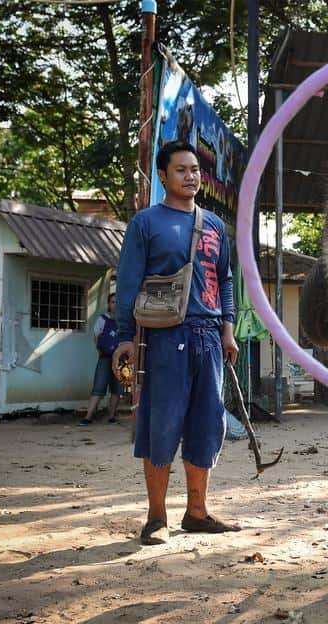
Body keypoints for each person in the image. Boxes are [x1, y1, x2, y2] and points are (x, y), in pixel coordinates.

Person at [111, 140, 240, 545]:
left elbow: (227, 281)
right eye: (181, 170)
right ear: (162, 176)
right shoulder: (145, 223)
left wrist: (228, 329)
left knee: (208, 423)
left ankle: (197, 513)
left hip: (209, 337)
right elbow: (129, 282)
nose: (191, 176)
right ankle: (156, 519)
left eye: (195, 170)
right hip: (163, 337)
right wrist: (126, 337)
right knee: (161, 423)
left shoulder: (216, 226)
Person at [79, 292, 123, 426]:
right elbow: (97, 337)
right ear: (109, 304)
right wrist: (101, 352)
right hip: (105, 357)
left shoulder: (124, 320)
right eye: (113, 302)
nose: (115, 304)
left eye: (117, 302)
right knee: (98, 387)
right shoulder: (102, 319)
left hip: (121, 359)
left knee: (117, 389)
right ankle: (88, 416)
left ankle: (112, 416)